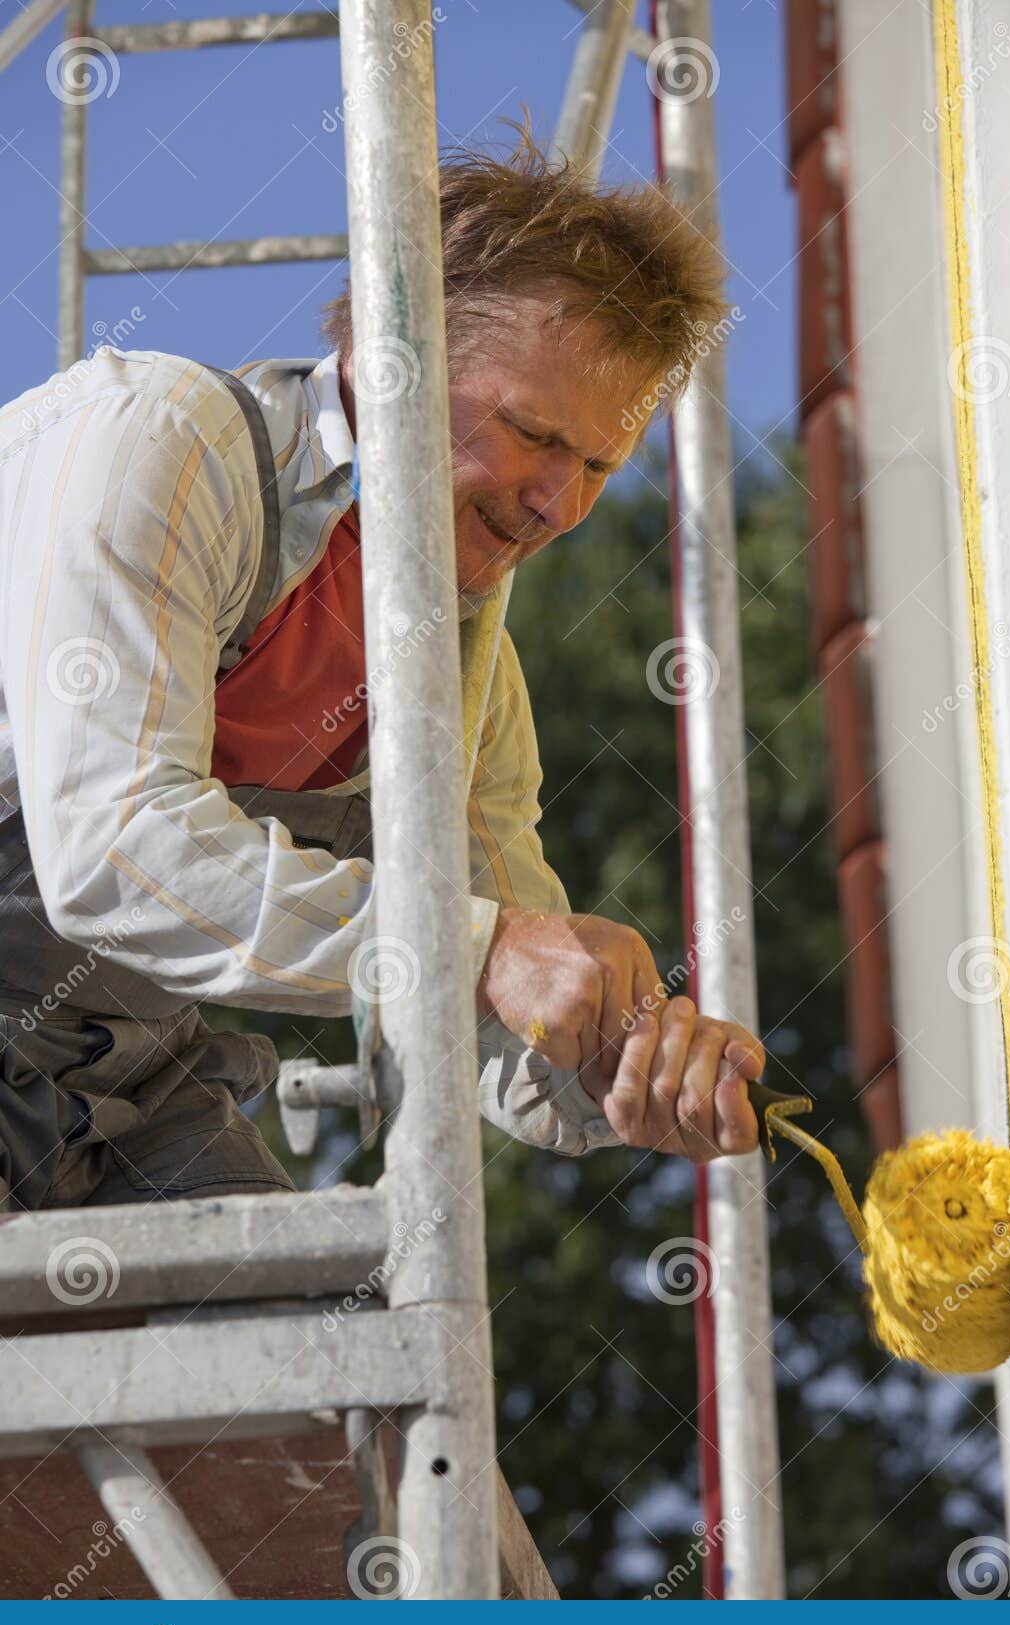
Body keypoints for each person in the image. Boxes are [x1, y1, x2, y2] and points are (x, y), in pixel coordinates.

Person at [0, 127, 764, 1211]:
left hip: (115, 1090)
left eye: (598, 463)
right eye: (531, 431)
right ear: (384, 350)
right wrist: (482, 948)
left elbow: (500, 1000)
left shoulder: (467, 678)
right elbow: (111, 848)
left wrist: (616, 1057)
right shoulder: (157, 444)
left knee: (305, 1361)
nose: (561, 504)